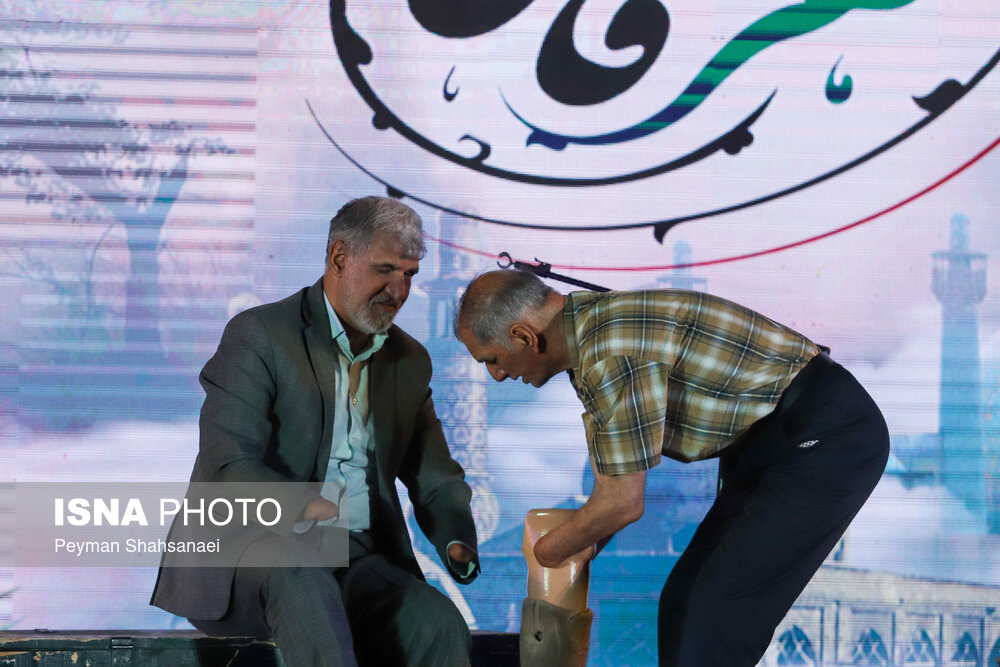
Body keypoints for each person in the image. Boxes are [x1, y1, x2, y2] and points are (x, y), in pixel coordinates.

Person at [455, 269, 889, 666]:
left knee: (716, 612)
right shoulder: (588, 334)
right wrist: (585, 542)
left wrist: (546, 553)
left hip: (825, 434)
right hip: (766, 444)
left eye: (492, 359)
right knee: (684, 601)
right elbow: (612, 487)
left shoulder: (607, 352)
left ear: (524, 336)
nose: (497, 375)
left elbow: (622, 502)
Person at [152, 196, 480, 667]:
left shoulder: (409, 360)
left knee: (439, 624)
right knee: (302, 576)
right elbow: (228, 465)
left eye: (410, 274)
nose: (399, 290)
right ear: (339, 258)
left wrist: (455, 537)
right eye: (385, 270)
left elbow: (436, 476)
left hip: (356, 557)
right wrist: (307, 503)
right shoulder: (259, 334)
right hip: (250, 552)